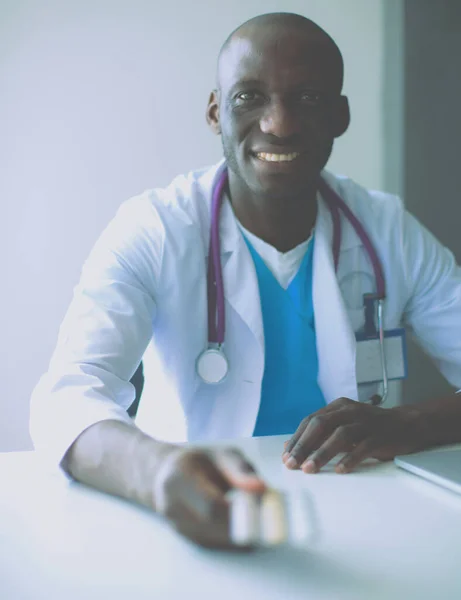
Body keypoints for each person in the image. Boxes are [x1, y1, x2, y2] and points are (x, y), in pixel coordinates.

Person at [30, 12, 461, 549]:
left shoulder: (387, 231)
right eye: (248, 97)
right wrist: (159, 473)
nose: (278, 124)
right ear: (215, 112)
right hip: (185, 518)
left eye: (307, 98)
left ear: (340, 115)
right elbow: (66, 397)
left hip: (362, 517)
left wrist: (409, 425)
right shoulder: (157, 228)